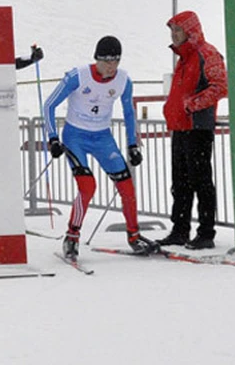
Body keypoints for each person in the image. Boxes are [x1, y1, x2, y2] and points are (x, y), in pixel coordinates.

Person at [43, 35, 154, 259]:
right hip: (76, 137)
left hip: (103, 137)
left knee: (127, 187)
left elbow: (129, 112)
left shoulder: (123, 80)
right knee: (87, 187)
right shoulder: (78, 76)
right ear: (97, 59)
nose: (112, 67)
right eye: (107, 62)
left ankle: (134, 235)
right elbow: (49, 105)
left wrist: (132, 144)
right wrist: (53, 138)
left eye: (116, 61)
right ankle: (72, 236)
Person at [160, 11, 228, 250]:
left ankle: (206, 232)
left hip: (197, 128)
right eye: (172, 31)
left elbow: (220, 86)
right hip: (181, 127)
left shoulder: (207, 54)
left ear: (190, 31)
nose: (174, 35)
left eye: (177, 30)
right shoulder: (184, 58)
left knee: (201, 181)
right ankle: (180, 230)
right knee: (180, 182)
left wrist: (191, 105)